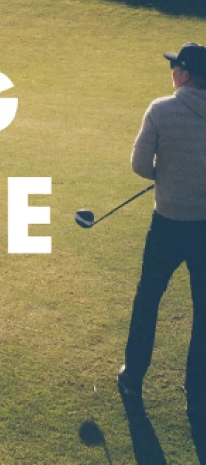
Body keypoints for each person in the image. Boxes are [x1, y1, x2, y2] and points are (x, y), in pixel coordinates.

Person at [118, 42, 206, 421]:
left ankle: (133, 376)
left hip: (167, 225)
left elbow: (140, 165)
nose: (171, 73)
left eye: (175, 68)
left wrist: (163, 174)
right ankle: (198, 391)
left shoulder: (161, 110)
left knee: (148, 299)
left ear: (184, 75)